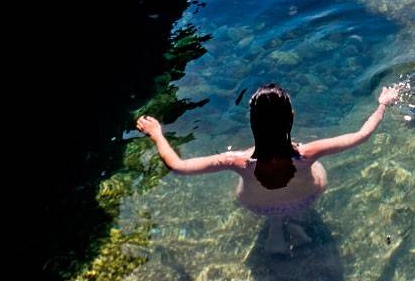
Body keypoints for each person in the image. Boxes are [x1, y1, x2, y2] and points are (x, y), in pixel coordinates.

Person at [135, 82, 401, 252]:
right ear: (292, 117)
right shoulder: (307, 153)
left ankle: (276, 228)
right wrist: (382, 104)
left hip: (258, 206)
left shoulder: (238, 161)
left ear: (252, 121)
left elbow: (178, 165)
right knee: (306, 185)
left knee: (270, 203)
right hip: (305, 199)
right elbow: (361, 135)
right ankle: (294, 224)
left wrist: (157, 133)